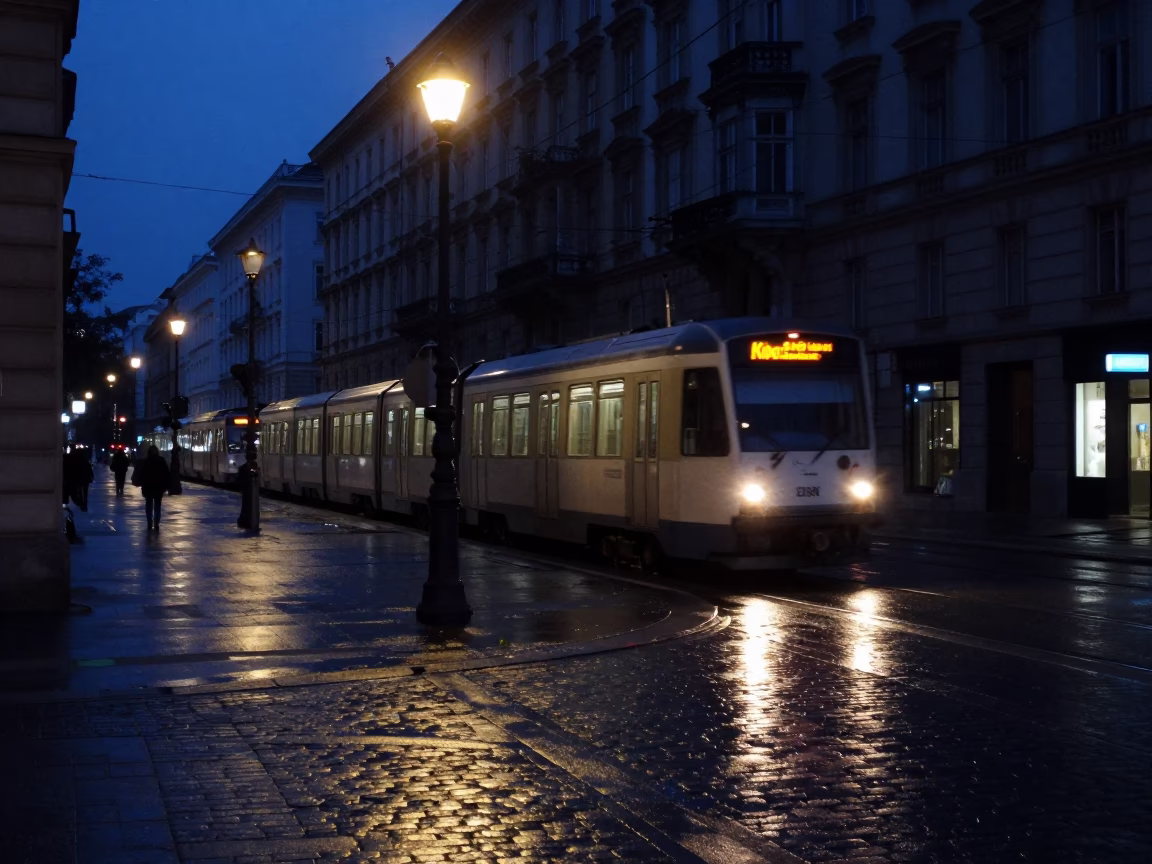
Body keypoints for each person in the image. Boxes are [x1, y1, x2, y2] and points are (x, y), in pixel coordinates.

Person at [138, 445, 171, 531]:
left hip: (148, 487)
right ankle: (156, 523)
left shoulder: (146, 461)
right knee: (157, 506)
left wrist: (142, 484)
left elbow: (142, 474)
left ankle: (149, 522)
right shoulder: (161, 460)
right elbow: (166, 474)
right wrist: (167, 486)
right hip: (158, 487)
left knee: (149, 505)